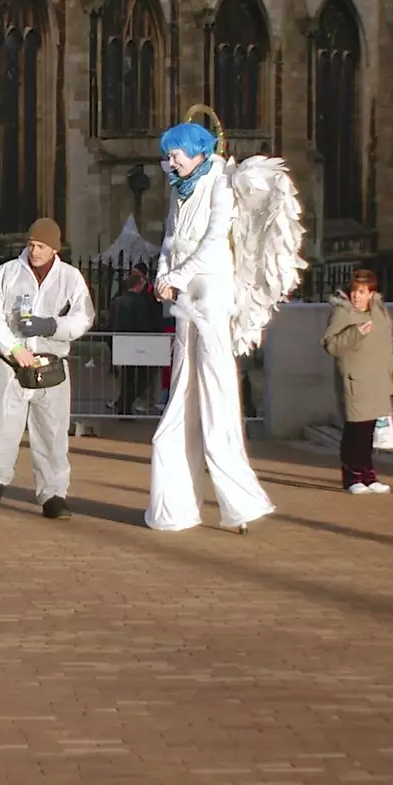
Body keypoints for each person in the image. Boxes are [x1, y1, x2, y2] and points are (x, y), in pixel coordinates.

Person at [146, 122, 277, 534]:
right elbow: (171, 237)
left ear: (197, 151)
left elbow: (214, 239)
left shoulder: (221, 181)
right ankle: (175, 506)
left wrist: (179, 276)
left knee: (216, 390)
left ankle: (239, 500)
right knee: (182, 390)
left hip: (212, 289)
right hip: (186, 294)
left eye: (175, 155)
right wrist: (163, 274)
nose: (170, 163)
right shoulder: (178, 188)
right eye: (168, 157)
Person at [0, 218, 96, 519]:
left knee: (52, 432)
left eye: (41, 246)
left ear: (55, 248)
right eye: (31, 245)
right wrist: (12, 347)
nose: (34, 251)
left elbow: (84, 317)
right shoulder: (7, 273)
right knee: (0, 426)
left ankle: (53, 493)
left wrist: (52, 326)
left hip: (50, 363)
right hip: (11, 364)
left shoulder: (70, 278)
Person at [322, 268, 393, 495]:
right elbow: (330, 344)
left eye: (362, 292)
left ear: (371, 293)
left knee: (371, 431)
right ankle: (352, 476)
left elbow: (386, 344)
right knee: (355, 431)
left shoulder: (380, 312)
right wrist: (355, 332)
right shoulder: (343, 313)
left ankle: (368, 475)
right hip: (356, 380)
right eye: (354, 291)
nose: (356, 296)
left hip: (377, 379)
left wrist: (389, 375)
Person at [107, 271, 160, 415]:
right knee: (143, 377)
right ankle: (124, 404)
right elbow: (143, 325)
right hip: (136, 343)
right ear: (138, 285)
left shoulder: (117, 301)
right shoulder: (140, 302)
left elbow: (109, 324)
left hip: (120, 343)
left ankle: (123, 405)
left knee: (127, 377)